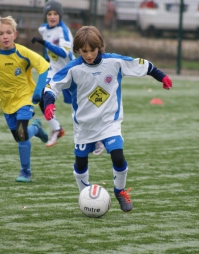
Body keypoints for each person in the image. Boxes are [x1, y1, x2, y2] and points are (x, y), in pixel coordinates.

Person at [41, 26, 173, 212]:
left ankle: (120, 191)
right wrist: (48, 103)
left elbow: (141, 65)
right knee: (80, 163)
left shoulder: (114, 62)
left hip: (109, 122)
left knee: (118, 157)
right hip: (84, 125)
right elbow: (51, 86)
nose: (88, 55)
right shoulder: (73, 69)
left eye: (92, 50)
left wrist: (162, 76)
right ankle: (85, 195)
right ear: (77, 50)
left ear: (100, 47)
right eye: (84, 51)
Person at [0, 15, 50, 183]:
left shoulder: (23, 52)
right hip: (6, 102)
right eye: (1, 33)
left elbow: (44, 67)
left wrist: (38, 91)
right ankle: (37, 128)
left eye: (8, 32)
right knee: (19, 136)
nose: (5, 36)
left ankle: (26, 171)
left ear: (15, 34)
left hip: (25, 98)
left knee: (22, 135)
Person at [31, 0, 104, 155]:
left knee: (81, 107)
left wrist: (45, 44)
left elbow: (64, 53)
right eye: (49, 13)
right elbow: (48, 52)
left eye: (55, 14)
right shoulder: (43, 29)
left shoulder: (64, 32)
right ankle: (56, 129)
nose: (52, 16)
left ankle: (97, 138)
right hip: (54, 72)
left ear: (60, 16)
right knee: (44, 96)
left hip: (70, 73)